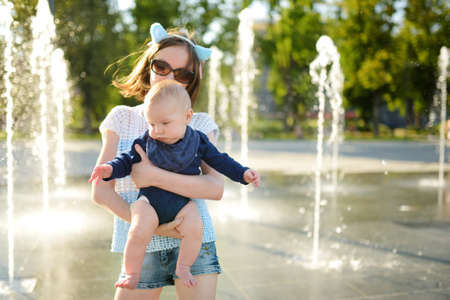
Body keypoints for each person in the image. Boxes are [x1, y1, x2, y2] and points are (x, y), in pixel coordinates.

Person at [91, 22, 236, 300]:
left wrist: (153, 177)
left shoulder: (200, 125)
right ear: (149, 65)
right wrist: (152, 226)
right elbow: (100, 191)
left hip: (193, 242)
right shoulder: (122, 118)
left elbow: (215, 188)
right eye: (161, 66)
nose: (170, 76)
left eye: (182, 73)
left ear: (191, 80)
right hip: (140, 246)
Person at [89, 80, 260, 289]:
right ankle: (132, 273)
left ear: (187, 117)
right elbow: (126, 160)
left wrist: (242, 173)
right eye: (152, 124)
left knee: (195, 227)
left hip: (181, 205)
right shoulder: (146, 141)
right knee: (137, 229)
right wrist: (109, 169)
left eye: (165, 123)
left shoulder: (197, 141)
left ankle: (184, 266)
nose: (157, 130)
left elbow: (220, 160)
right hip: (149, 201)